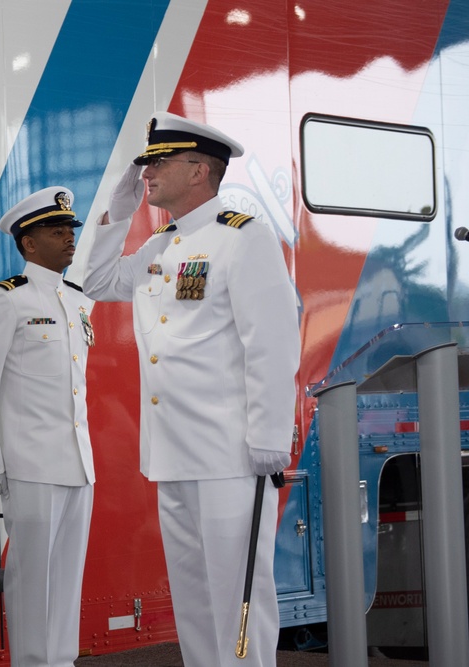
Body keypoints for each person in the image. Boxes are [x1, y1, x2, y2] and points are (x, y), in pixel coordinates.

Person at [83, 113, 300, 667]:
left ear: (199, 170)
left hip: (231, 453)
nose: (148, 171)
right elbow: (97, 281)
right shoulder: (162, 244)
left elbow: (271, 343)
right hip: (173, 453)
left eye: (160, 161)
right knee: (196, 606)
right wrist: (120, 211)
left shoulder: (241, 238)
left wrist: (269, 438)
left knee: (240, 603)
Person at [0, 187, 96, 667]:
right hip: (30, 462)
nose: (67, 237)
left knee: (66, 579)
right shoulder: (5, 300)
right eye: (55, 230)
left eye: (70, 230)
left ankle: (62, 661)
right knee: (31, 577)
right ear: (28, 243)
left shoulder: (78, 300)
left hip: (77, 462)